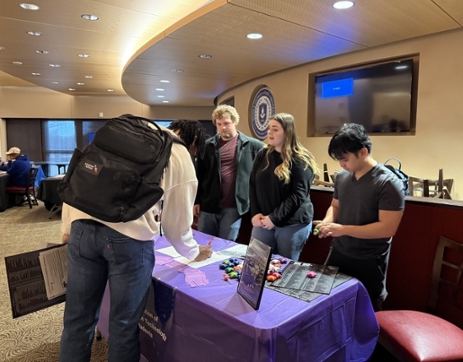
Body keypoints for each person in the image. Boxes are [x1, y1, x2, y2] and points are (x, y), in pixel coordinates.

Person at [58, 127, 212, 362]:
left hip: (81, 228)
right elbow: (176, 224)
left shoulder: (125, 131)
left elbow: (80, 177)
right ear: (193, 143)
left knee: (77, 320)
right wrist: (193, 251)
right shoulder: (178, 152)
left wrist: (67, 228)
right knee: (123, 325)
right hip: (128, 238)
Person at [313, 123, 405, 311]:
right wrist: (327, 222)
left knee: (365, 312)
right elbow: (335, 206)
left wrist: (343, 229)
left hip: (369, 260)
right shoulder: (342, 177)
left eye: (345, 159)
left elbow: (387, 228)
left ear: (363, 152)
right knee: (330, 308)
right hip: (339, 252)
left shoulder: (388, 183)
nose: (341, 164)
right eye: (338, 159)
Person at [249, 113, 320, 261]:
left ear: (287, 132)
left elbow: (298, 195)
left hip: (291, 223)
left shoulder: (300, 158)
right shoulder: (263, 154)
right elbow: (253, 185)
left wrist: (274, 218)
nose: (269, 132)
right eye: (269, 128)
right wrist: (255, 213)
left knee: (283, 268)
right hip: (263, 220)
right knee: (256, 264)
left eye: (275, 129)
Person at [194, 105, 264, 241]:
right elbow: (199, 175)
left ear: (234, 122)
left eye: (226, 123)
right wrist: (195, 201)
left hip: (234, 206)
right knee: (203, 243)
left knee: (226, 245)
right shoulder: (207, 146)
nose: (223, 127)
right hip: (209, 205)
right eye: (219, 124)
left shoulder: (254, 146)